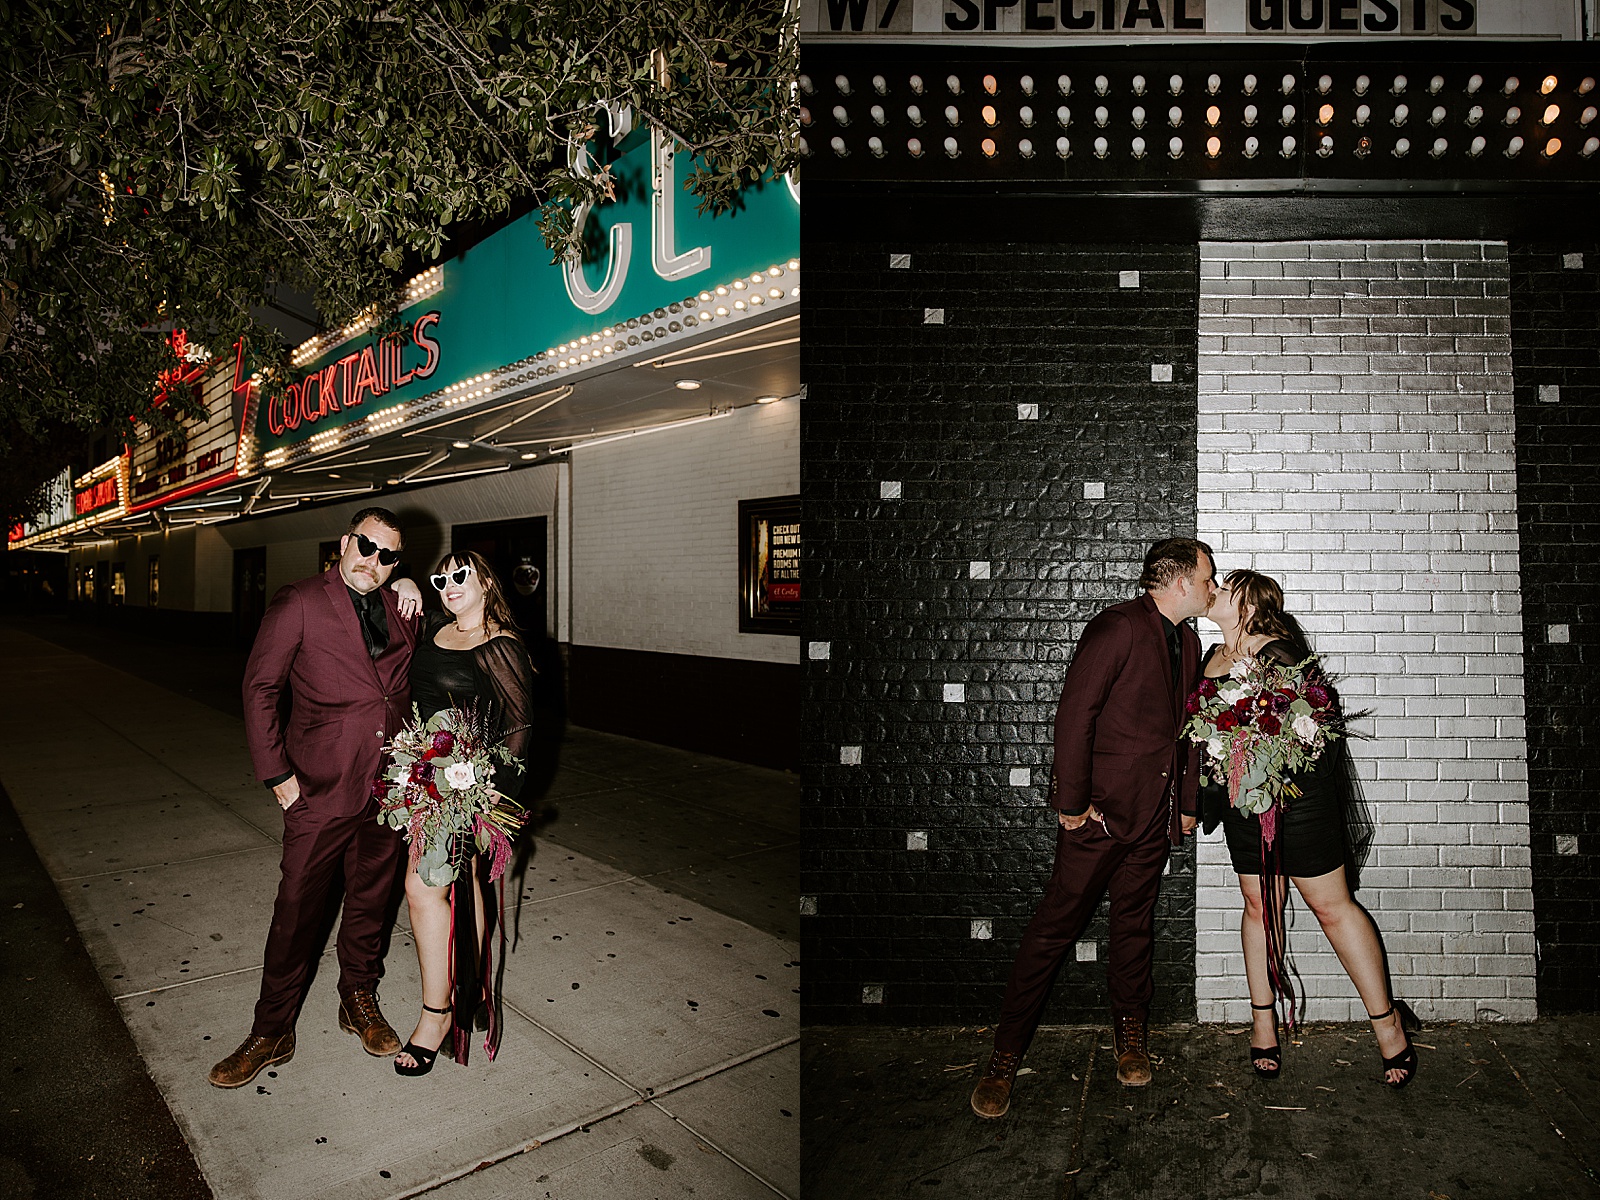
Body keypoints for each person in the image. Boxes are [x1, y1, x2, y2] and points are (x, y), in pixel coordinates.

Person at [970, 538, 1216, 1119]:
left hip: (1154, 818)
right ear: (1179, 581)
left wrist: (1183, 803)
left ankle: (1130, 1036)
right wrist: (1073, 804)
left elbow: (1185, 728)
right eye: (1208, 575)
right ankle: (1005, 1056)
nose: (1214, 585)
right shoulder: (1117, 627)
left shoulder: (1186, 638)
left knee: (1135, 927)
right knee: (1054, 930)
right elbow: (1075, 712)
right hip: (1100, 818)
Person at [210, 507, 423, 1088]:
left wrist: (408, 586)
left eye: (388, 556)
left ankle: (357, 997)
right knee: (296, 912)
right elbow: (260, 688)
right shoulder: (299, 600)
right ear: (344, 541)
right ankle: (271, 1028)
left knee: (371, 903)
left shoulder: (401, 607)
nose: (373, 561)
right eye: (366, 546)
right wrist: (277, 774)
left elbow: (401, 687)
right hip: (320, 790)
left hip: (389, 790)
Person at [1199, 568, 1416, 1088]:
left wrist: (1271, 757)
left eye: (1226, 587)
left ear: (1250, 603)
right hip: (1243, 805)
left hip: (1300, 804)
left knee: (1332, 909)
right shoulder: (1211, 657)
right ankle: (1263, 1026)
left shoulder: (1282, 651)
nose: (1215, 592)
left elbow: (1318, 725)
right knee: (1259, 907)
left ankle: (1390, 1030)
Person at [393, 550, 535, 1075]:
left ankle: (437, 1013)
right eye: (440, 578)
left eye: (461, 576)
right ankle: (471, 991)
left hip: (470, 785)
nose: (448, 585)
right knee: (464, 886)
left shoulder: (499, 645)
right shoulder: (437, 626)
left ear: (486, 582)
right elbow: (398, 597)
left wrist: (496, 798)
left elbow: (520, 729)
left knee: (421, 887)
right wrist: (407, 578)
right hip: (424, 775)